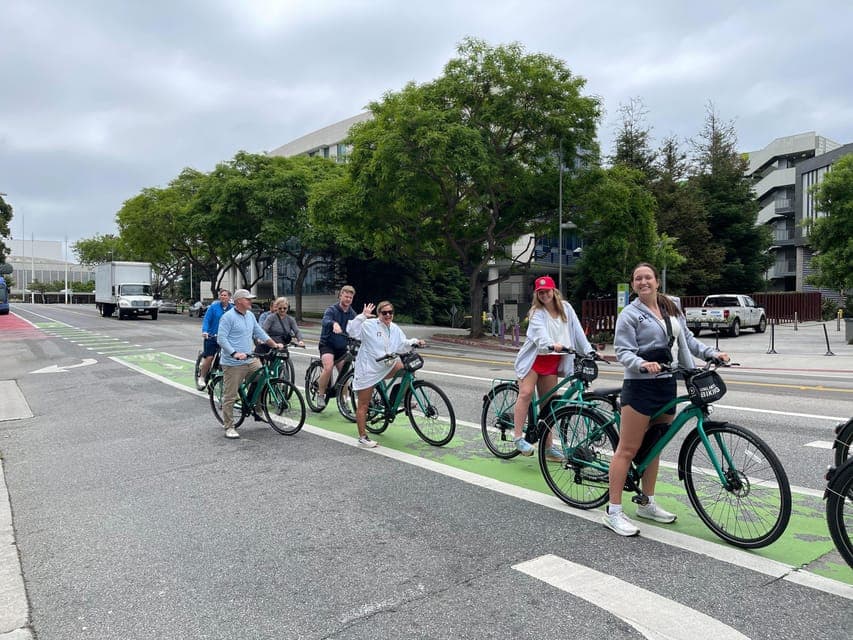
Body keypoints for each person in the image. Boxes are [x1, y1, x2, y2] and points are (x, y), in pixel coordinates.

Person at [604, 263, 729, 537]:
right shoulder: (629, 315)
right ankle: (613, 511)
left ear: (657, 281)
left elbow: (688, 340)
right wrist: (641, 364)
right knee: (627, 449)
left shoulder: (671, 307)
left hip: (667, 384)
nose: (643, 282)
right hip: (640, 387)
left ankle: (646, 502)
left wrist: (711, 354)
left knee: (655, 448)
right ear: (634, 284)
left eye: (647, 277)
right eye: (638, 278)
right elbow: (623, 351)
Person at [512, 276, 594, 459]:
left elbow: (578, 331)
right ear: (536, 294)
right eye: (540, 292)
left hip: (552, 362)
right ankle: (517, 437)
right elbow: (540, 335)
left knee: (548, 405)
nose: (544, 295)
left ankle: (548, 447)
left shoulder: (566, 308)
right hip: (534, 360)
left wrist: (590, 351)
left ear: (554, 291)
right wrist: (551, 344)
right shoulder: (536, 312)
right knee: (525, 393)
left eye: (547, 291)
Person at [347, 300, 424, 448]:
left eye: (390, 312)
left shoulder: (394, 328)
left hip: (386, 366)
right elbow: (352, 331)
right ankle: (363, 437)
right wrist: (362, 316)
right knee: (363, 404)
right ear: (379, 314)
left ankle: (399, 398)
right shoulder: (369, 325)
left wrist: (415, 341)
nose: (388, 315)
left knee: (409, 369)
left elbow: (402, 343)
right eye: (384, 313)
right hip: (368, 369)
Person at [216, 289, 284, 439]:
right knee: (230, 395)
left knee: (262, 378)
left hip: (250, 358)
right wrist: (234, 353)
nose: (251, 301)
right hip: (233, 362)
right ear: (239, 301)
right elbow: (221, 339)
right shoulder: (228, 317)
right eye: (248, 299)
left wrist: (274, 344)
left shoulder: (250, 316)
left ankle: (257, 410)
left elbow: (259, 332)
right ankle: (229, 426)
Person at [316, 285, 357, 409]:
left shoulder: (352, 313)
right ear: (340, 296)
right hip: (327, 345)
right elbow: (325, 320)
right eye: (346, 296)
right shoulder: (331, 310)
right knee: (328, 368)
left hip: (341, 347)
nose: (348, 299)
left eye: (350, 297)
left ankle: (344, 401)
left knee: (344, 375)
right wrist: (334, 323)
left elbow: (356, 328)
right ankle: (320, 395)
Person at [197, 289, 233, 387]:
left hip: (226, 338)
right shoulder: (213, 307)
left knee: (228, 358)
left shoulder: (232, 309)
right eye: (221, 295)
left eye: (225, 295)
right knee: (209, 357)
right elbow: (207, 320)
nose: (223, 297)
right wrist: (205, 331)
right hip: (212, 336)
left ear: (229, 297)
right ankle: (202, 377)